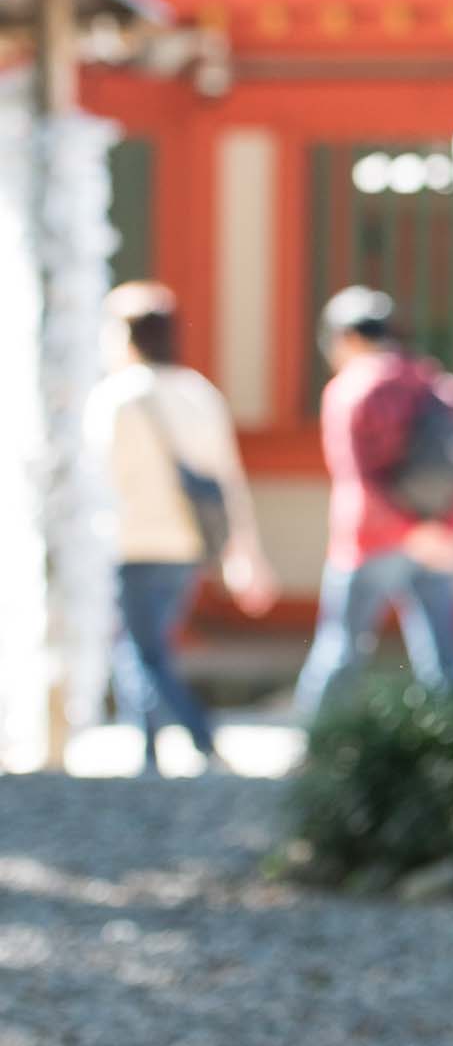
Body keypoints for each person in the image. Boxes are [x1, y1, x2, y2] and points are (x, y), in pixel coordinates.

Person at [86, 281, 277, 772]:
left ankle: (198, 738)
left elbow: (96, 480)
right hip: (189, 545)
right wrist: (244, 551)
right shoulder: (199, 392)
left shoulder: (117, 397)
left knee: (142, 653)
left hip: (134, 542)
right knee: (149, 648)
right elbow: (227, 478)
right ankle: (148, 752)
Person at [294, 286, 453, 719]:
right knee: (444, 657)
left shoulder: (350, 389)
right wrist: (444, 528)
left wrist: (404, 529)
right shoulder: (432, 381)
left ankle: (315, 742)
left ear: (347, 337)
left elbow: (358, 475)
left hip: (370, 540)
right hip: (434, 539)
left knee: (341, 648)